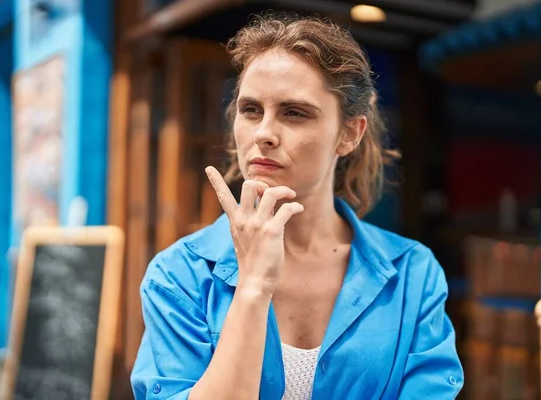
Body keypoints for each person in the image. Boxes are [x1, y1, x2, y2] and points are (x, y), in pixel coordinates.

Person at [131, 12, 463, 400]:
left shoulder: (411, 275)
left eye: (295, 113)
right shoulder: (178, 276)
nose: (264, 134)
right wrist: (253, 287)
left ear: (349, 134)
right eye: (251, 110)